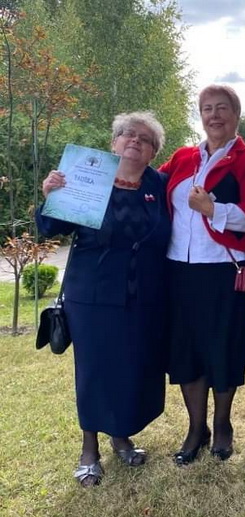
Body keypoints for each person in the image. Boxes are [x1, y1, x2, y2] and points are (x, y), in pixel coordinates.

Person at [36, 111, 170, 487]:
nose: (135, 141)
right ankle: (89, 449)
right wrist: (51, 195)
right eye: (127, 134)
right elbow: (51, 227)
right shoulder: (86, 179)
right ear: (114, 143)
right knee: (95, 370)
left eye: (144, 139)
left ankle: (122, 435)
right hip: (92, 295)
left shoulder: (158, 185)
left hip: (144, 295)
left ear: (152, 152)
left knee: (131, 368)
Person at [159, 85, 245, 465]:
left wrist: (214, 209)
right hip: (178, 269)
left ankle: (223, 425)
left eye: (222, 108)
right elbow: (148, 186)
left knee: (222, 348)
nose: (214, 115)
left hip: (224, 270)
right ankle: (196, 428)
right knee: (186, 349)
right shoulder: (182, 157)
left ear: (236, 115)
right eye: (207, 109)